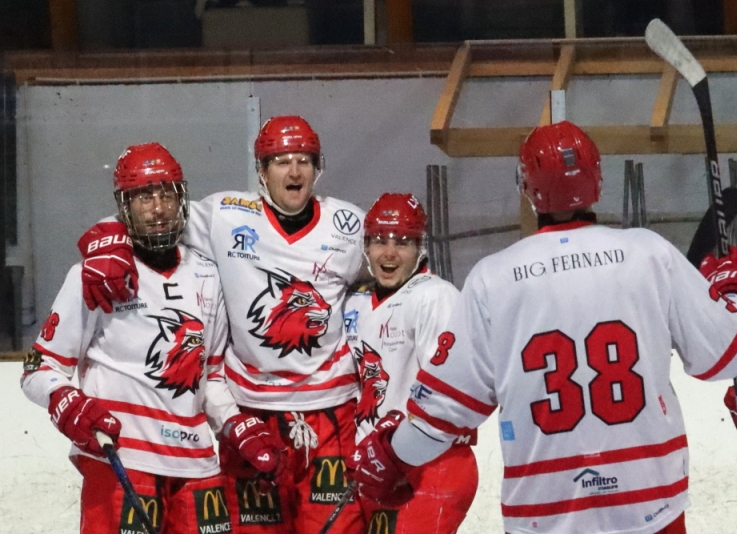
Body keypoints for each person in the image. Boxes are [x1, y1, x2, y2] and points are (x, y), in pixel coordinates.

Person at [347, 121, 737, 534]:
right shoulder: (649, 254)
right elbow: (731, 354)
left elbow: (441, 416)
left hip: (544, 511)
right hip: (651, 504)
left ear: (527, 190)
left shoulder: (495, 277)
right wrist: (733, 287)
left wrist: (393, 456)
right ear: (597, 179)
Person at [75, 117, 366, 534]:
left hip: (333, 415)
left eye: (303, 160)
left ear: (318, 167)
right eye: (281, 160)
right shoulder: (224, 215)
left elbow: (394, 275)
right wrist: (104, 238)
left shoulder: (349, 225)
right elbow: (154, 212)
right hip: (251, 413)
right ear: (262, 172)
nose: (294, 171)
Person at [21, 142, 283, 534]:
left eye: (167, 194)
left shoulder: (208, 274)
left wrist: (234, 424)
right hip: (123, 460)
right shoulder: (94, 274)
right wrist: (65, 399)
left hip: (197, 463)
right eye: (144, 196)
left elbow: (208, 377)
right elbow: (39, 368)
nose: (158, 207)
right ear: (124, 205)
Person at [343, 193, 478, 533]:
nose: (389, 253)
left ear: (420, 246)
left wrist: (396, 438)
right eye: (379, 241)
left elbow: (451, 391)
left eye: (402, 242)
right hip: (375, 465)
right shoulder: (354, 302)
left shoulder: (434, 296)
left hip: (432, 464)